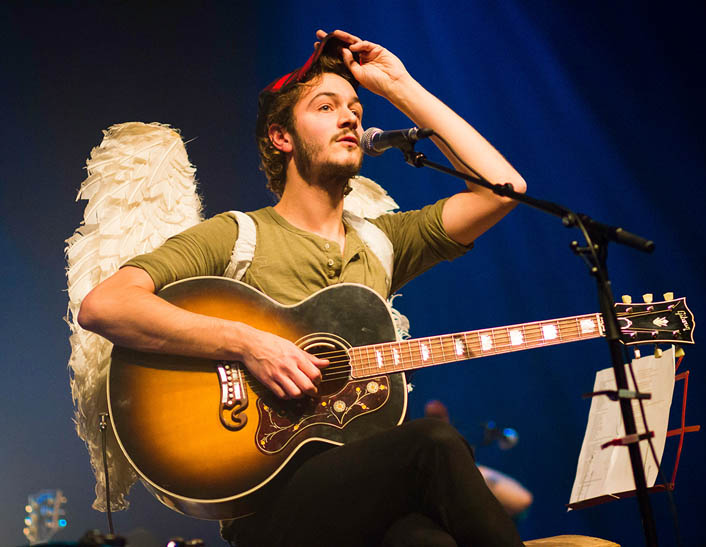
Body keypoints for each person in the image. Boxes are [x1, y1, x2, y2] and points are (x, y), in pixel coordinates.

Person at [78, 29, 527, 546]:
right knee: (434, 442)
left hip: (365, 488)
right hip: (267, 498)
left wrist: (400, 86)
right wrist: (248, 343)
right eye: (326, 106)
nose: (351, 116)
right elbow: (105, 304)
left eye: (356, 108)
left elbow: (504, 190)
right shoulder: (238, 235)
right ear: (281, 137)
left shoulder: (382, 242)